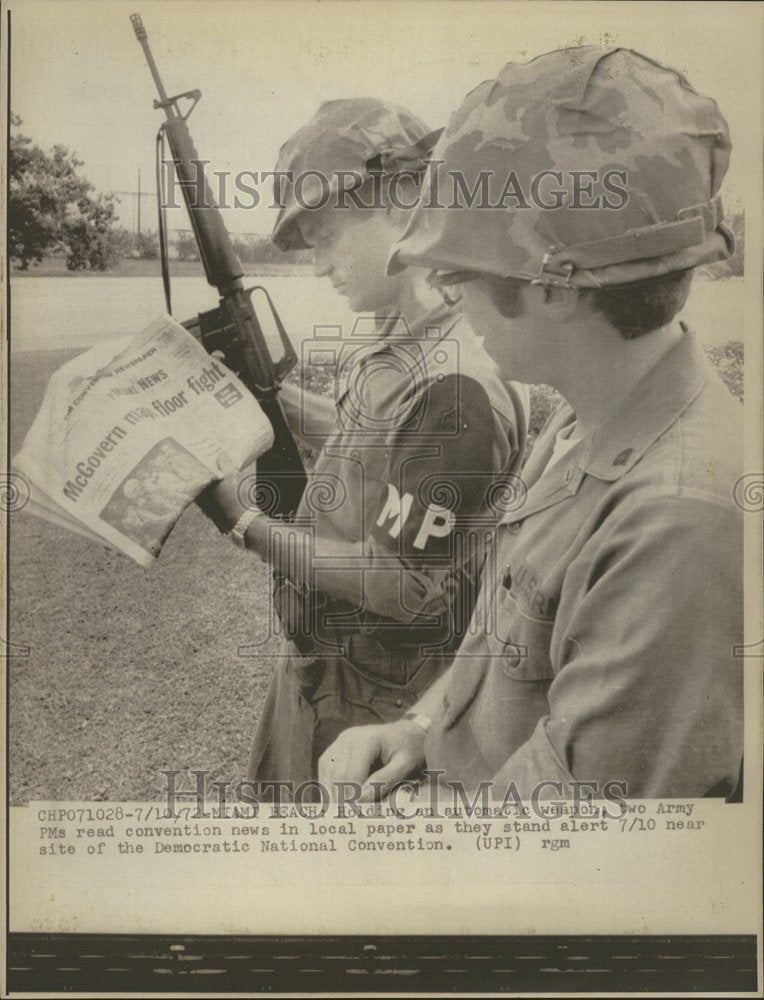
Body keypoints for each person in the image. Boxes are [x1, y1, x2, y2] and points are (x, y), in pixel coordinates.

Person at [318, 48, 744, 801]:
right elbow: (513, 648)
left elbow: (570, 845)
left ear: (554, 290)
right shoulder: (588, 413)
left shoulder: (677, 525)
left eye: (460, 271)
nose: (447, 291)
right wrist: (421, 726)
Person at [204, 99, 530, 792]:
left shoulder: (458, 384)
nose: (318, 263)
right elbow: (371, 443)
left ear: (403, 202)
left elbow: (407, 585)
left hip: (378, 710)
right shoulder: (405, 336)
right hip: (327, 668)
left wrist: (244, 525)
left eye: (325, 235)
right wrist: (266, 395)